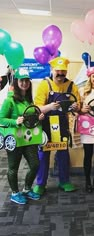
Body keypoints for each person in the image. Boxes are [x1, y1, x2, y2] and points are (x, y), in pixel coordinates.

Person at [33, 57, 81, 195]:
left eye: (63, 72)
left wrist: (75, 106)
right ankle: (41, 183)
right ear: (52, 70)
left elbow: (77, 106)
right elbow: (37, 108)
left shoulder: (72, 86)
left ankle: (64, 181)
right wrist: (49, 106)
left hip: (62, 125)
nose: (60, 74)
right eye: (57, 71)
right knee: (43, 155)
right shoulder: (44, 85)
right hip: (46, 125)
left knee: (63, 154)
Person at [0, 68, 44, 204]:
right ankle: (14, 193)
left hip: (28, 138)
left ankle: (27, 189)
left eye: (27, 80)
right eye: (22, 80)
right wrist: (14, 121)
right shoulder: (10, 100)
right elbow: (1, 119)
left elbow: (30, 117)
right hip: (14, 139)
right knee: (13, 168)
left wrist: (39, 117)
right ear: (17, 81)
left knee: (35, 164)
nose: (25, 83)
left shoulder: (29, 100)